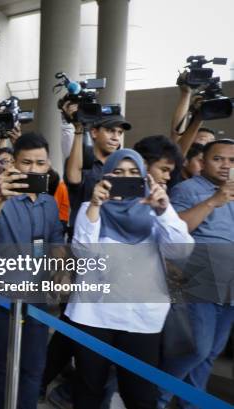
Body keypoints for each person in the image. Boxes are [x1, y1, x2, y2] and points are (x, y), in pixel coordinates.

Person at [66, 149, 193, 409]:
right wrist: (95, 206)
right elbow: (83, 254)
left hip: (141, 319)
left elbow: (181, 251)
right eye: (118, 172)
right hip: (94, 316)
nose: (126, 178)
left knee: (140, 395)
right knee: (88, 390)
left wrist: (164, 210)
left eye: (134, 173)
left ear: (146, 178)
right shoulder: (89, 208)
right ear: (105, 176)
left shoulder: (155, 211)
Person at [0, 133, 65, 409]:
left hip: (38, 297)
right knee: (4, 364)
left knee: (34, 367)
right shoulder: (1, 197)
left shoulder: (49, 202)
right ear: (14, 163)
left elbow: (56, 240)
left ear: (48, 164)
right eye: (27, 162)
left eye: (40, 163)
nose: (33, 169)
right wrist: (1, 196)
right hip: (4, 296)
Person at [159, 139, 234, 409]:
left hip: (229, 287)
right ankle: (156, 398)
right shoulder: (188, 189)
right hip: (198, 281)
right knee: (194, 351)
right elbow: (174, 231)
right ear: (202, 162)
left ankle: (191, 404)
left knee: (210, 354)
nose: (226, 165)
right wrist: (214, 201)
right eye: (219, 159)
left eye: (232, 160)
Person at [65, 115, 132, 233]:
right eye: (110, 131)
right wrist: (79, 129)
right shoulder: (80, 162)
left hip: (115, 236)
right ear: (94, 133)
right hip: (84, 235)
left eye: (120, 132)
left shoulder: (123, 166)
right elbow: (73, 178)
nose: (116, 138)